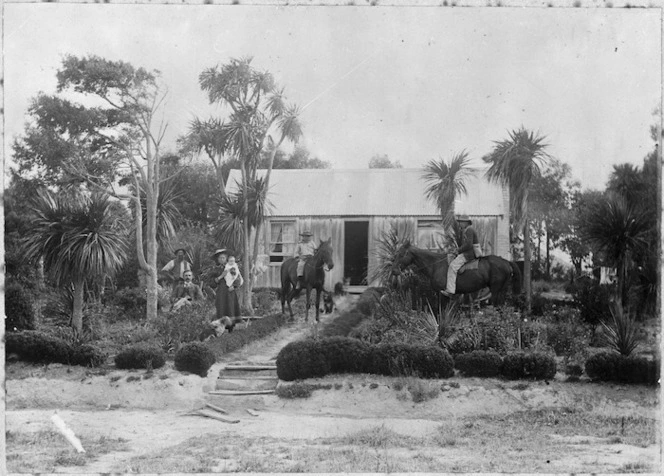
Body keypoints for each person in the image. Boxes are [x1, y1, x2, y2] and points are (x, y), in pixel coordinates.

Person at [441, 215, 480, 297]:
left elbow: (469, 245)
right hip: (467, 253)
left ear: (466, 223)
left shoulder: (469, 230)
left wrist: (458, 250)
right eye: (460, 222)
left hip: (468, 254)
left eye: (461, 222)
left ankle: (450, 291)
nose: (460, 224)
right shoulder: (467, 230)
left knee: (452, 266)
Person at [212, 249, 244, 332]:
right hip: (221, 291)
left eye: (223, 258)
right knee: (221, 307)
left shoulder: (232, 267)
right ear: (218, 260)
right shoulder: (215, 269)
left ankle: (231, 327)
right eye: (220, 258)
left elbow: (238, 278)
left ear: (226, 259)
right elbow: (212, 282)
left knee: (230, 306)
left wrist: (234, 286)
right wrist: (220, 277)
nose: (222, 259)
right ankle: (220, 328)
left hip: (230, 291)